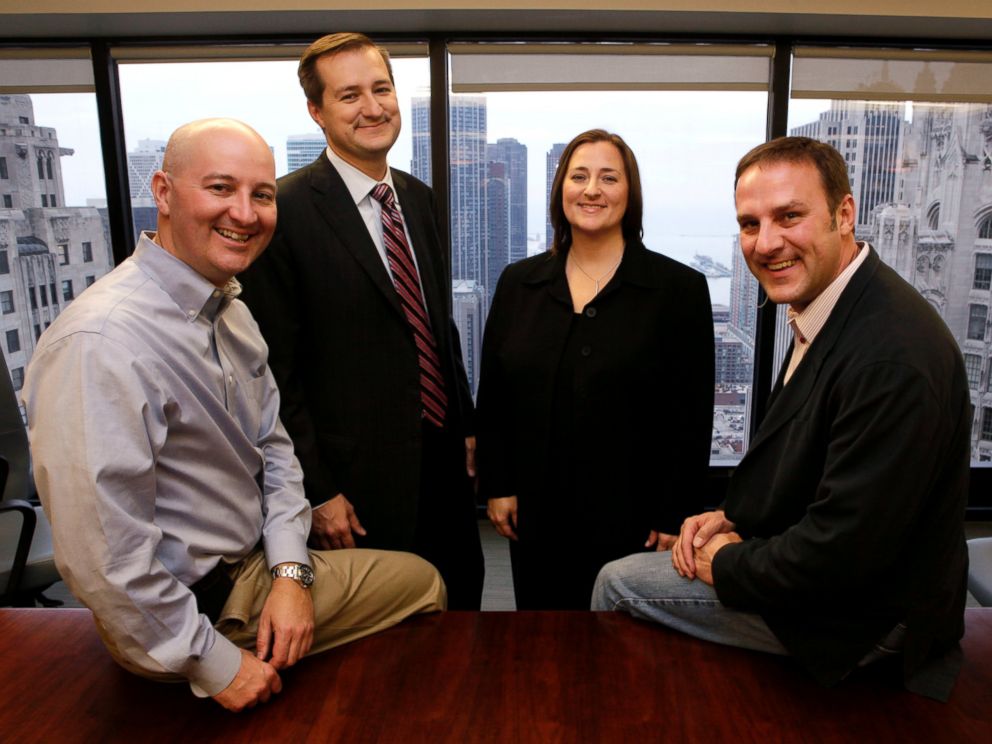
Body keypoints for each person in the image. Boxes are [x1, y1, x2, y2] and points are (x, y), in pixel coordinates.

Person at [22, 118, 446, 712]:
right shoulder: (101, 341)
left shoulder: (230, 308)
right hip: (189, 609)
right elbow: (104, 560)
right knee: (423, 586)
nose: (245, 214)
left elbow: (273, 450)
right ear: (163, 192)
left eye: (262, 194)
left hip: (252, 566)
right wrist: (216, 666)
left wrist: (292, 576)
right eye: (220, 189)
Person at [593, 136, 970, 700]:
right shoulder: (834, 307)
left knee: (617, 583)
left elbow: (842, 557)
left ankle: (623, 716)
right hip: (847, 584)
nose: (766, 243)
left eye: (789, 216)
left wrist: (728, 562)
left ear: (845, 214)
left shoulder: (893, 359)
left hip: (869, 621)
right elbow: (808, 466)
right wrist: (729, 517)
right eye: (750, 224)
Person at [238, 33, 484, 610]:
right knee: (381, 644)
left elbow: (436, 325)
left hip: (443, 464)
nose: (373, 108)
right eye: (350, 95)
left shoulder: (418, 200)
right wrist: (317, 492)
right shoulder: (286, 211)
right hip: (356, 482)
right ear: (317, 111)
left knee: (460, 606)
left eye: (382, 88)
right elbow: (275, 373)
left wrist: (467, 426)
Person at [476, 129, 714, 609]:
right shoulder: (518, 283)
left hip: (633, 515)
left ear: (631, 194)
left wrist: (674, 513)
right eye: (578, 176)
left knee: (624, 647)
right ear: (560, 188)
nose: (592, 190)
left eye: (609, 178)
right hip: (537, 512)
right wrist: (497, 484)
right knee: (542, 639)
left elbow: (690, 416)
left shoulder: (678, 290)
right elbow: (495, 392)